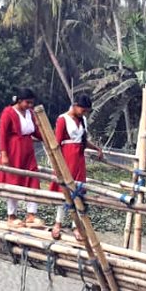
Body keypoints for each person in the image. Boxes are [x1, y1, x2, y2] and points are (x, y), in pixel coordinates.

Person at [49, 93, 103, 240]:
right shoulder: (63, 119)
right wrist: (57, 163)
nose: (84, 113)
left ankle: (76, 226)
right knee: (65, 191)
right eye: (83, 109)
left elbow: (84, 141)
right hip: (66, 158)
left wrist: (97, 148)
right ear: (76, 105)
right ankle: (58, 223)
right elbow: (56, 143)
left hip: (79, 159)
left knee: (78, 191)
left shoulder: (83, 120)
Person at [0, 88, 44, 228]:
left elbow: (35, 130)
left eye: (31, 103)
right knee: (14, 181)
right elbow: (3, 134)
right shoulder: (8, 113)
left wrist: (47, 138)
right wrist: (4, 154)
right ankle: (12, 216)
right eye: (27, 102)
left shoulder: (30, 113)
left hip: (28, 150)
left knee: (33, 178)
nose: (30, 105)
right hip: (14, 150)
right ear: (19, 100)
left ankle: (31, 214)